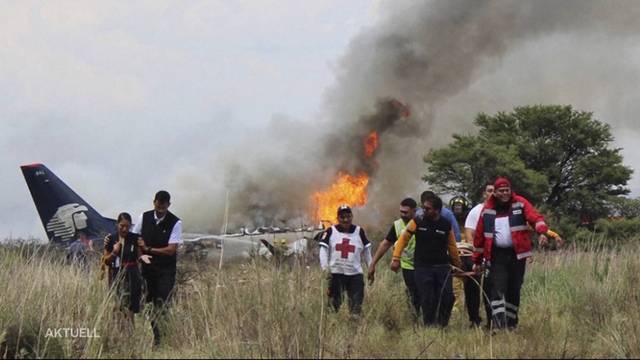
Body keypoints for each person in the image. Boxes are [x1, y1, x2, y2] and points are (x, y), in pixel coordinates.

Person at [472, 177, 562, 330]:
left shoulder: (520, 203)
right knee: (497, 289)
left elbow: (535, 218)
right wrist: (477, 260)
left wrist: (541, 233)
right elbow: (479, 237)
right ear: (495, 192)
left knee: (514, 288)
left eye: (507, 190)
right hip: (496, 256)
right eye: (501, 191)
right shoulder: (487, 210)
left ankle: (511, 324)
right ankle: (498, 325)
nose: (505, 193)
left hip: (516, 256)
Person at [391, 192, 461, 327]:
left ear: (437, 210)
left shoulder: (446, 224)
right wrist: (396, 258)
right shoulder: (417, 221)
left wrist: (457, 264)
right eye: (423, 208)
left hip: (442, 267)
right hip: (423, 267)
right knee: (428, 298)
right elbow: (403, 239)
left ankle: (442, 325)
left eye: (427, 209)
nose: (424, 211)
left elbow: (452, 246)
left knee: (448, 297)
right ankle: (429, 326)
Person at [132, 190, 183, 346]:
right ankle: (153, 337)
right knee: (147, 303)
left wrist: (148, 249)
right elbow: (136, 237)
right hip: (147, 269)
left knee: (161, 303)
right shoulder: (144, 217)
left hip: (165, 271)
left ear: (169, 205)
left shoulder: (176, 222)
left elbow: (171, 249)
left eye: (163, 206)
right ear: (154, 202)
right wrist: (141, 255)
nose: (160, 208)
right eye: (158, 204)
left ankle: (162, 339)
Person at [367, 198, 420, 314]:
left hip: (423, 265)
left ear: (414, 211)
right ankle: (415, 319)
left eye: (405, 212)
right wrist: (373, 264)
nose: (402, 215)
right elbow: (386, 243)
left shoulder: (421, 222)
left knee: (425, 292)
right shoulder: (397, 225)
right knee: (413, 293)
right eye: (401, 211)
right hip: (408, 265)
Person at [319, 204, 372, 314]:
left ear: (352, 216)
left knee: (356, 306)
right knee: (334, 306)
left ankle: (354, 327)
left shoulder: (359, 231)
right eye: (342, 217)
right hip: (336, 274)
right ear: (337, 218)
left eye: (348, 216)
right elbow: (323, 250)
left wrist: (371, 268)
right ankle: (333, 328)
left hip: (355, 275)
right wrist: (325, 269)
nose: (346, 219)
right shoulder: (330, 231)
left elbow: (367, 251)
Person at [102, 212, 144, 327]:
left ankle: (130, 334)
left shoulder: (135, 238)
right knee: (118, 306)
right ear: (117, 224)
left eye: (127, 226)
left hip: (132, 275)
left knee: (130, 307)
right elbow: (106, 261)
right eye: (122, 226)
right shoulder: (111, 239)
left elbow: (140, 257)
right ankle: (119, 334)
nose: (124, 229)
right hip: (116, 275)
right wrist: (114, 252)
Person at [463, 182, 495, 328]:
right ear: (484, 193)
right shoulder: (476, 211)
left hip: (496, 257)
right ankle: (474, 319)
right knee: (472, 287)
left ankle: (492, 320)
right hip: (476, 255)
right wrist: (478, 256)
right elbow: (469, 233)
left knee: (491, 289)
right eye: (489, 190)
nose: (492, 193)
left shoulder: (503, 210)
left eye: (495, 191)